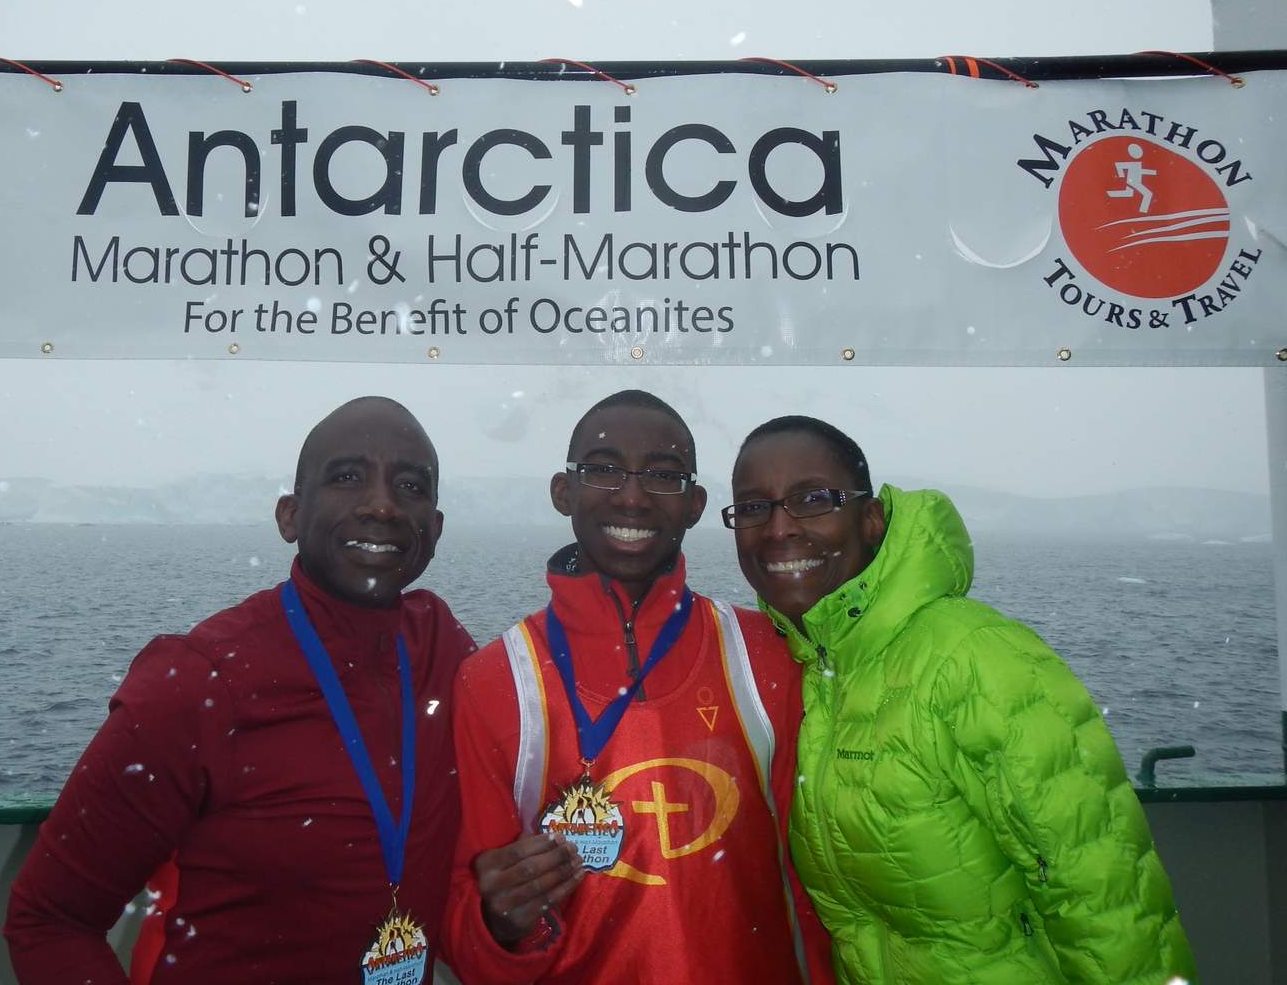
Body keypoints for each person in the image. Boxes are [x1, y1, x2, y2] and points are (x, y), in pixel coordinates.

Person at [4, 396, 477, 985]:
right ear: (289, 517)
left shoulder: (445, 651)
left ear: (433, 529)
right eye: (347, 477)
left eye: (410, 484)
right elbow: (49, 918)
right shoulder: (200, 681)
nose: (382, 504)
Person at [726, 414, 1197, 985]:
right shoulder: (807, 667)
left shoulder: (974, 656)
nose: (779, 528)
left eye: (812, 499)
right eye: (753, 507)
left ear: (871, 519)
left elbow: (1103, 889)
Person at [444, 389, 832, 984]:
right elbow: (473, 937)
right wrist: (500, 924)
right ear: (562, 491)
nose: (631, 495)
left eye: (663, 475)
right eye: (602, 470)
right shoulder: (494, 680)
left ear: (696, 504)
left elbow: (814, 888)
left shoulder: (766, 655)